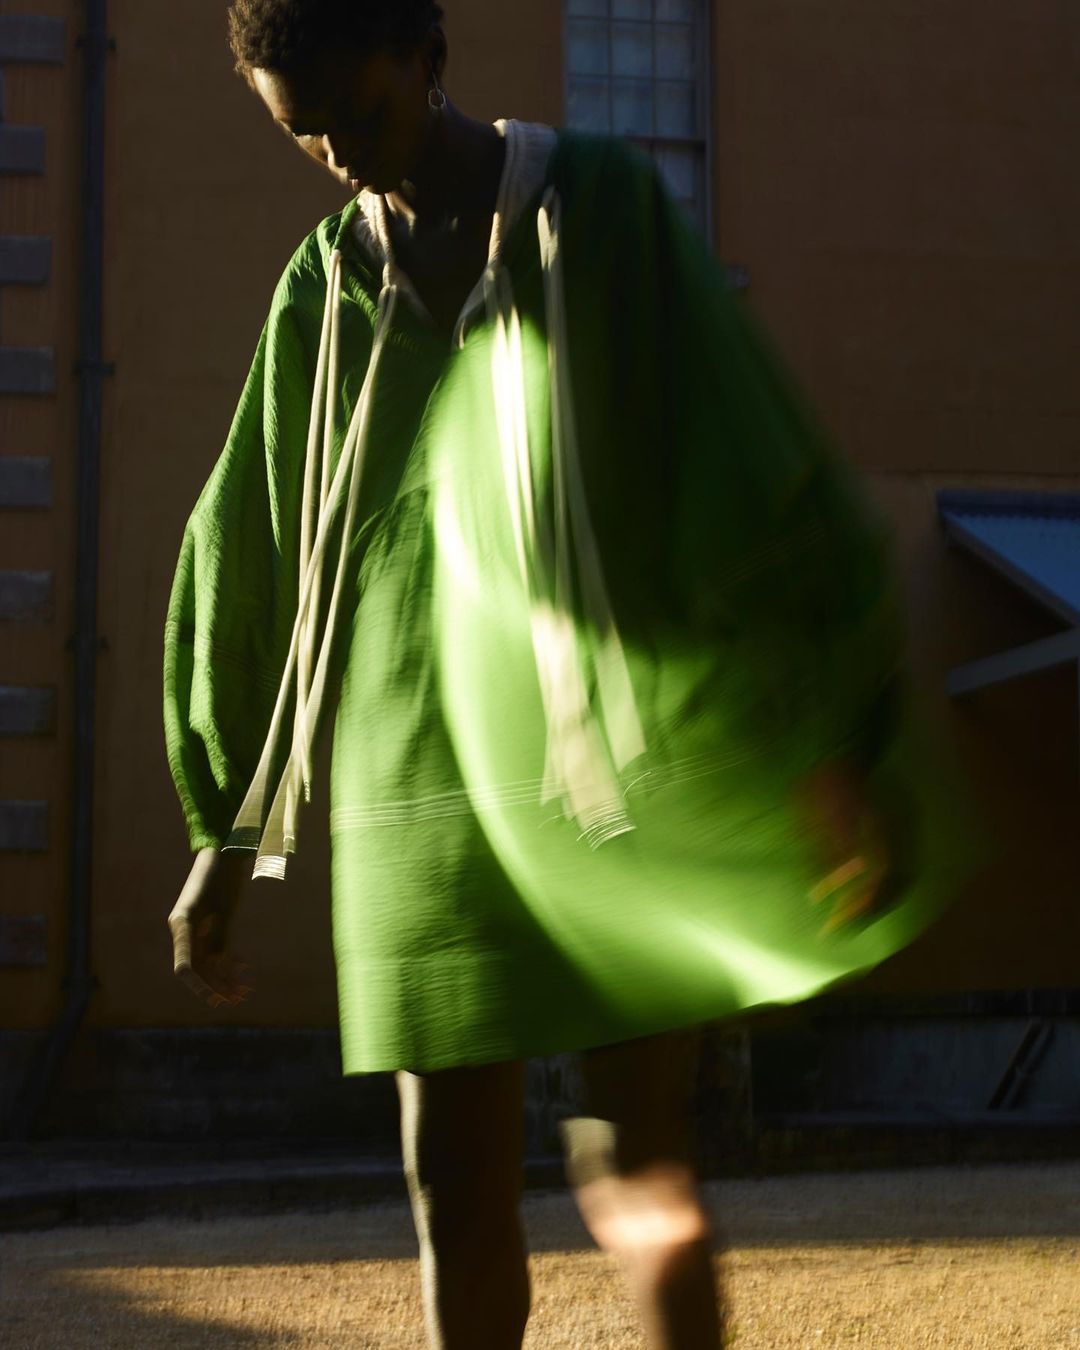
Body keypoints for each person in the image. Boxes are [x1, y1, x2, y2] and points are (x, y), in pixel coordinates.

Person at [164, 2, 976, 1345]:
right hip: (414, 792)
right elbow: (257, 552)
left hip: (610, 764)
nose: (341, 156)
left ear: (427, 53)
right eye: (304, 135)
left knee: (640, 1164)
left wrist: (824, 743)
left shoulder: (598, 208)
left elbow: (737, 458)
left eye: (361, 113)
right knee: (452, 1184)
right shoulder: (324, 285)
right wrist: (224, 838)